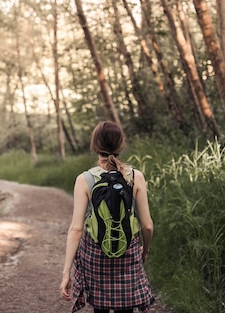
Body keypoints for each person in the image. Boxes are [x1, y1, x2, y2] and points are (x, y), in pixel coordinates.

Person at [60, 121, 154, 313]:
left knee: (100, 308)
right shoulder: (136, 176)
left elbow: (76, 229)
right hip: (128, 253)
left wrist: (66, 272)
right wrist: (143, 252)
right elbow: (148, 226)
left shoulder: (84, 179)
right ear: (121, 145)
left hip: (95, 256)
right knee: (126, 307)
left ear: (95, 145)